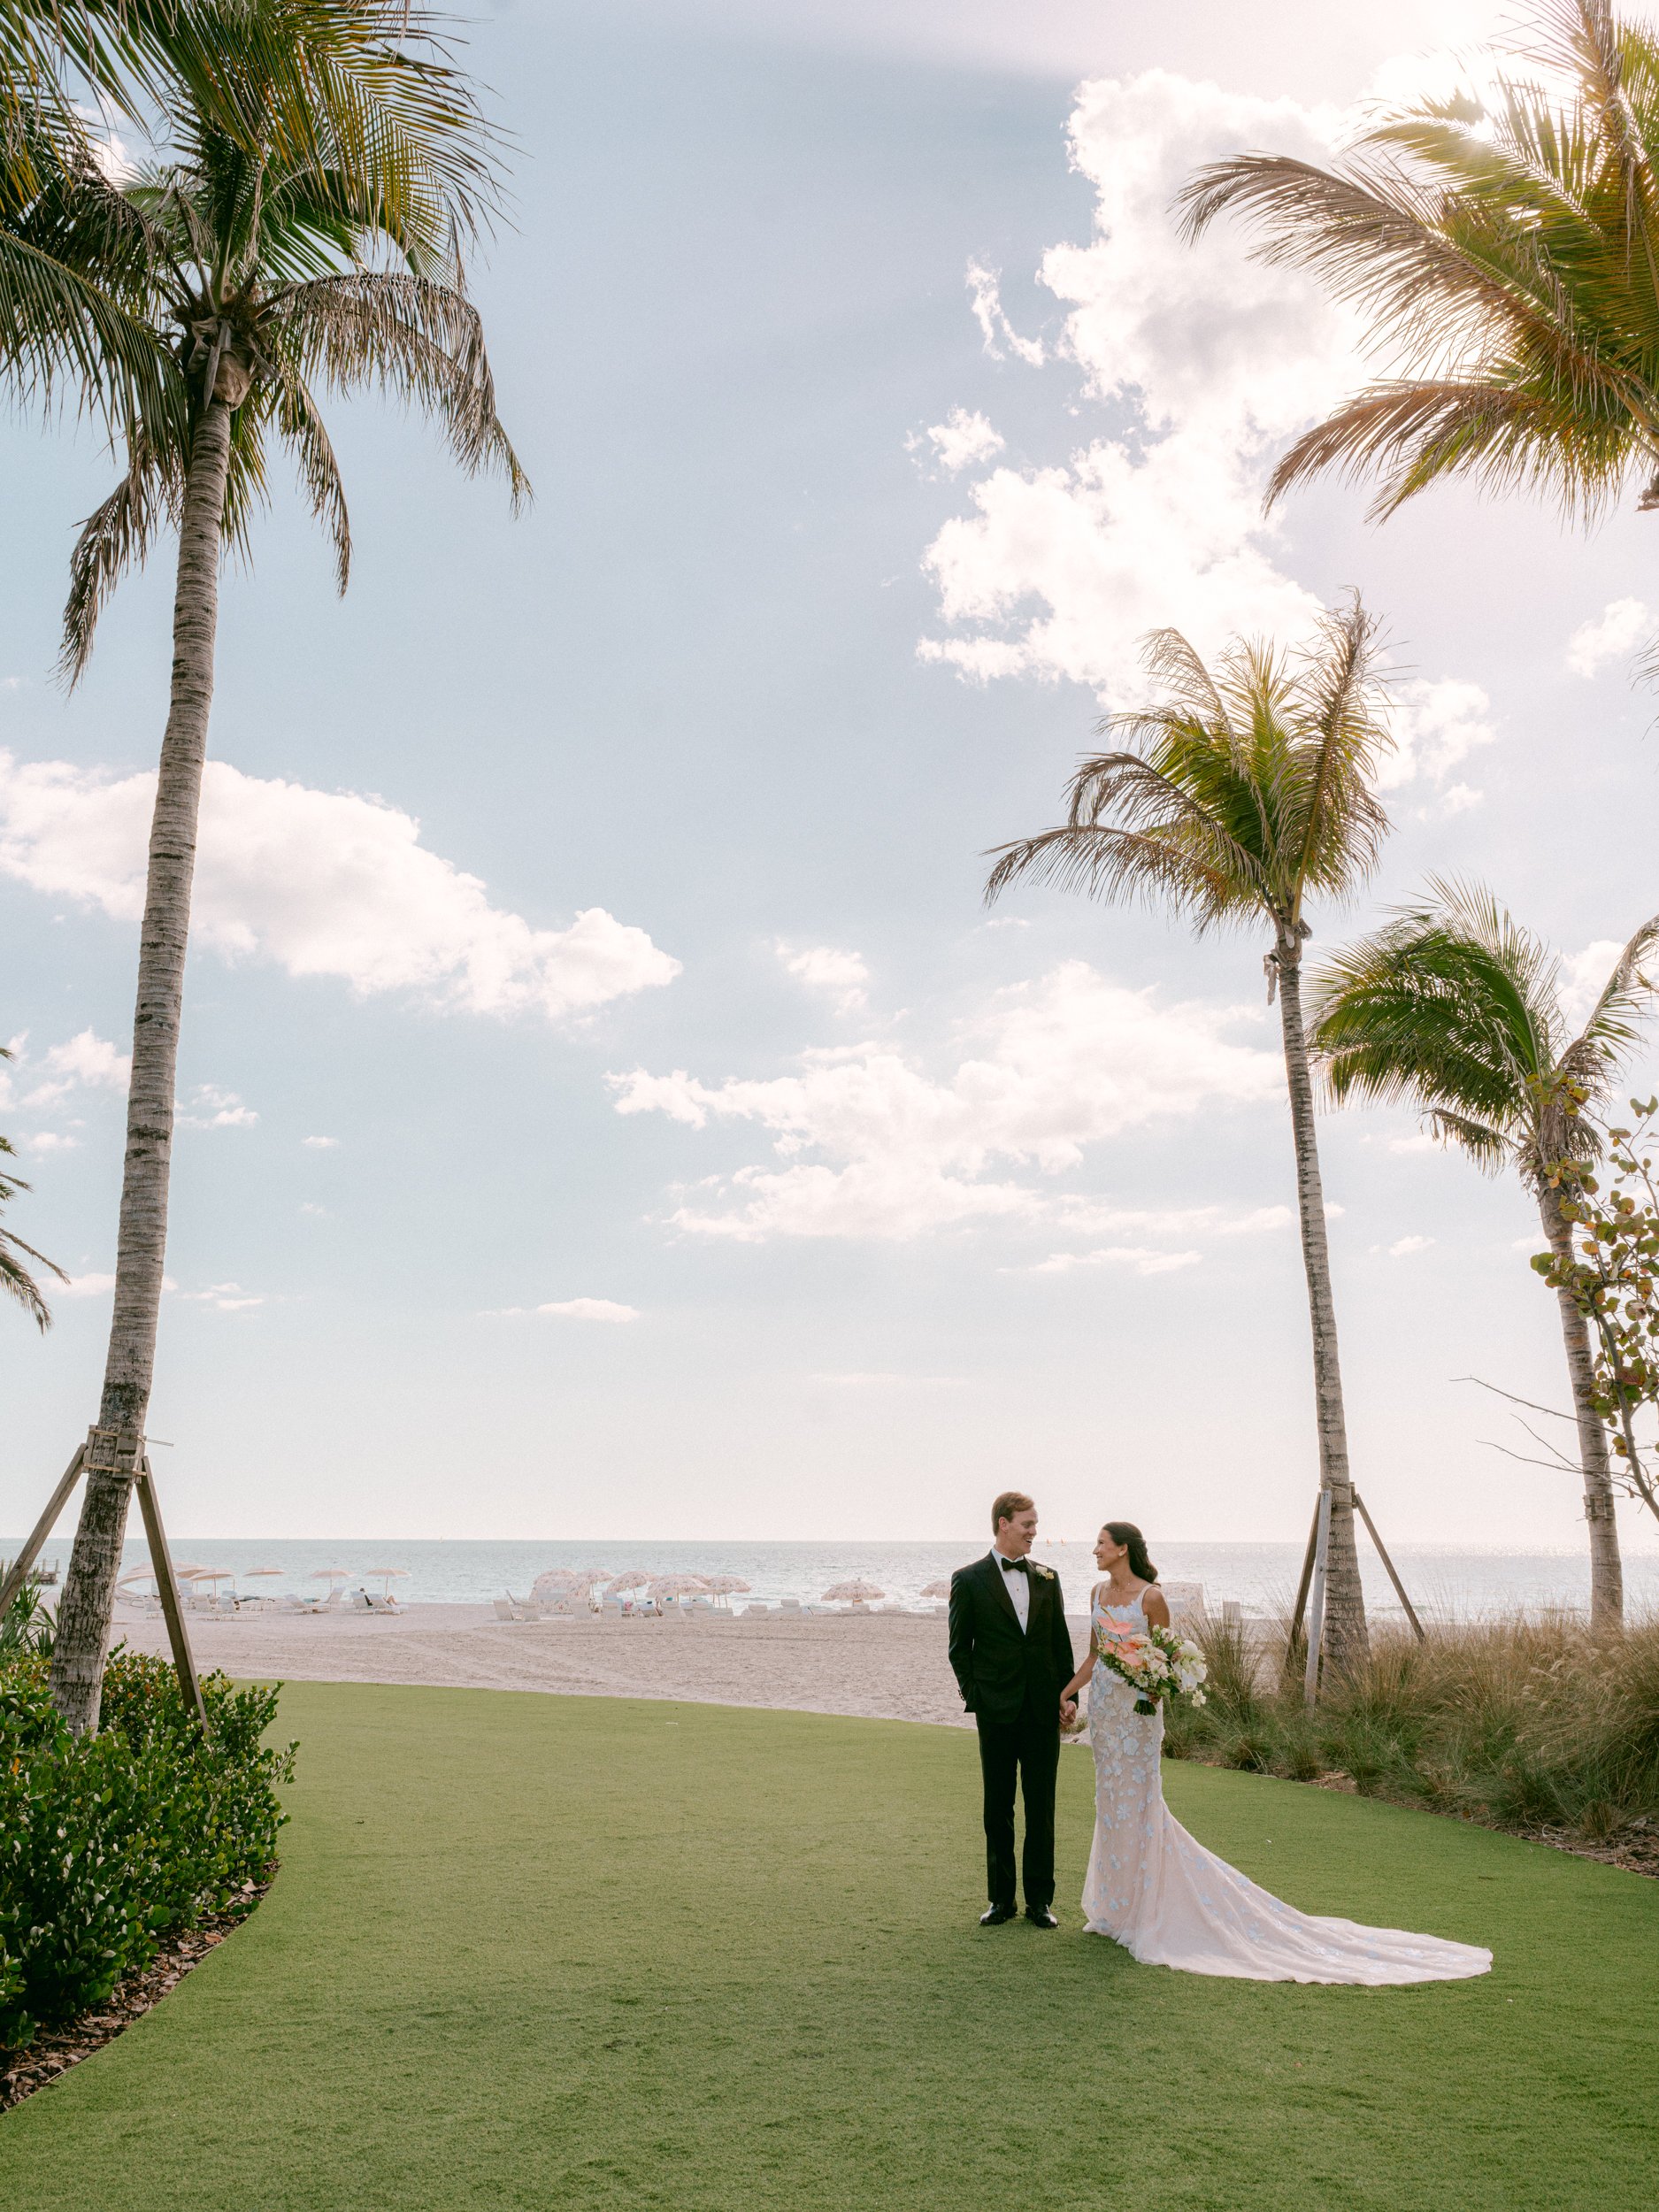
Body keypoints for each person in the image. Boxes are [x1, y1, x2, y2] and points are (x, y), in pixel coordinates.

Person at [1063, 1521, 1492, 1984]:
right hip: (1106, 1714)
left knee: (1140, 1805)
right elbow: (1093, 1655)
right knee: (1110, 1808)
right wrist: (1065, 1694)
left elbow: (1164, 1664)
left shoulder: (1152, 1598)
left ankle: (1145, 1911)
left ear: (1123, 1549)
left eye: (1101, 1545)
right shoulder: (1095, 1593)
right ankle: (1115, 1908)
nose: (1095, 1551)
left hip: (1139, 1720)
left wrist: (1149, 1690)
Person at [948, 1491, 1079, 1928]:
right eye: (1027, 1524)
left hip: (1042, 1709)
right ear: (1004, 1524)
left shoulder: (1048, 1577)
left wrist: (1069, 1695)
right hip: (996, 1711)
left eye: (1035, 1524)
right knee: (997, 1807)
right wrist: (977, 1697)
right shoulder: (968, 1579)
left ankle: (1039, 1901)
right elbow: (958, 1650)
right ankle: (1000, 1900)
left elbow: (1060, 1643)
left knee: (1042, 1806)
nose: (1034, 1532)